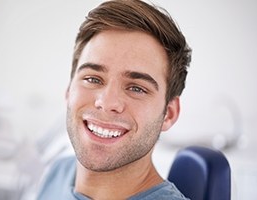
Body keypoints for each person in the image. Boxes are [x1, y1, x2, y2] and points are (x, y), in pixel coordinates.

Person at [38, 0, 191, 199]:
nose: (107, 102)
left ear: (168, 114)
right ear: (69, 90)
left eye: (136, 88)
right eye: (93, 79)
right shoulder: (58, 172)